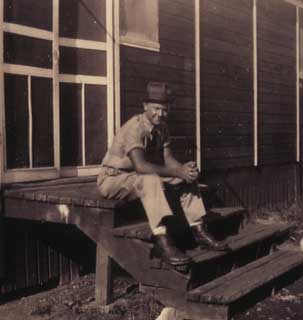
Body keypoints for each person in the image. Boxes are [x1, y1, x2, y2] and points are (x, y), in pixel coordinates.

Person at [97, 82, 228, 267]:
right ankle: (162, 241)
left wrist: (184, 170)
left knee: (184, 176)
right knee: (150, 180)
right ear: (145, 106)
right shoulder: (133, 128)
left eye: (165, 110)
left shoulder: (162, 127)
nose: (160, 114)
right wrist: (177, 171)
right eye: (156, 109)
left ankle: (199, 230)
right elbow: (141, 166)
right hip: (113, 179)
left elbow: (168, 159)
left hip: (135, 176)